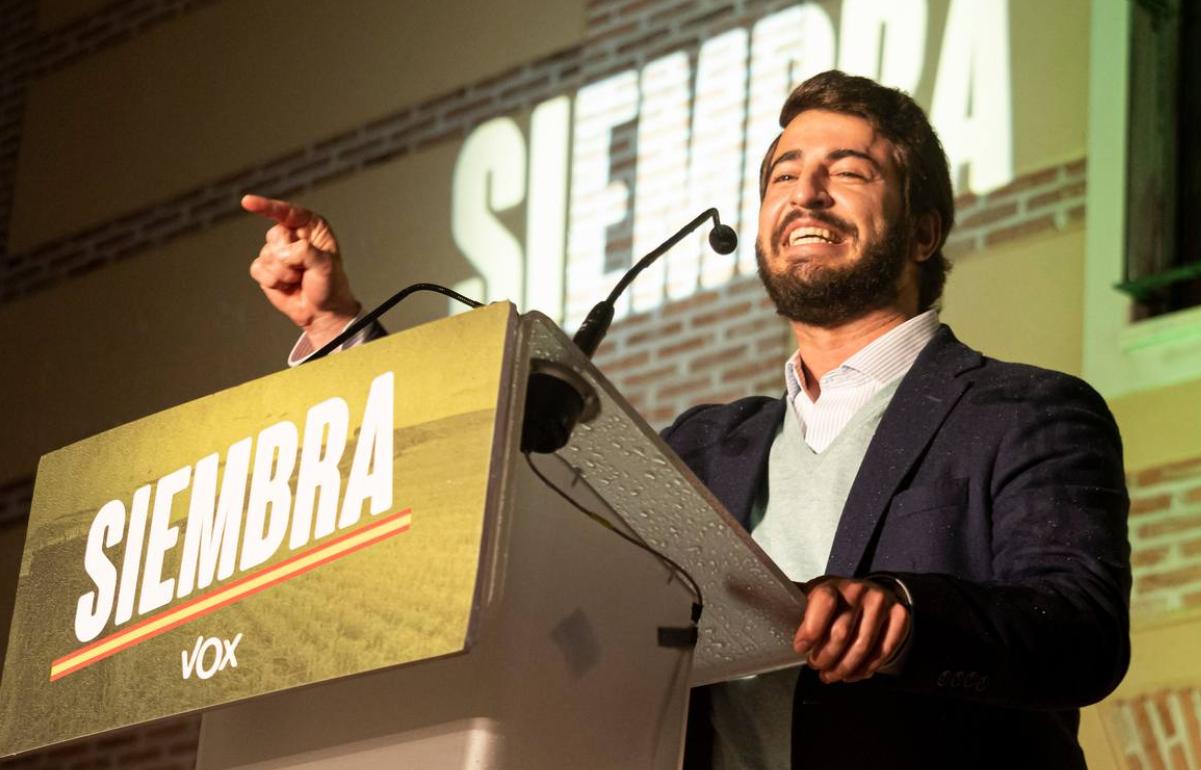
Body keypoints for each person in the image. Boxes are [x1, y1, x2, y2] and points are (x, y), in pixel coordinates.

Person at [243, 70, 1131, 769]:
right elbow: (505, 520)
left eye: (848, 173)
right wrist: (339, 329)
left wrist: (906, 611)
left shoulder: (1025, 412)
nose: (806, 195)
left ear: (925, 230)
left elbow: (1080, 633)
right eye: (784, 175)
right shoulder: (705, 447)